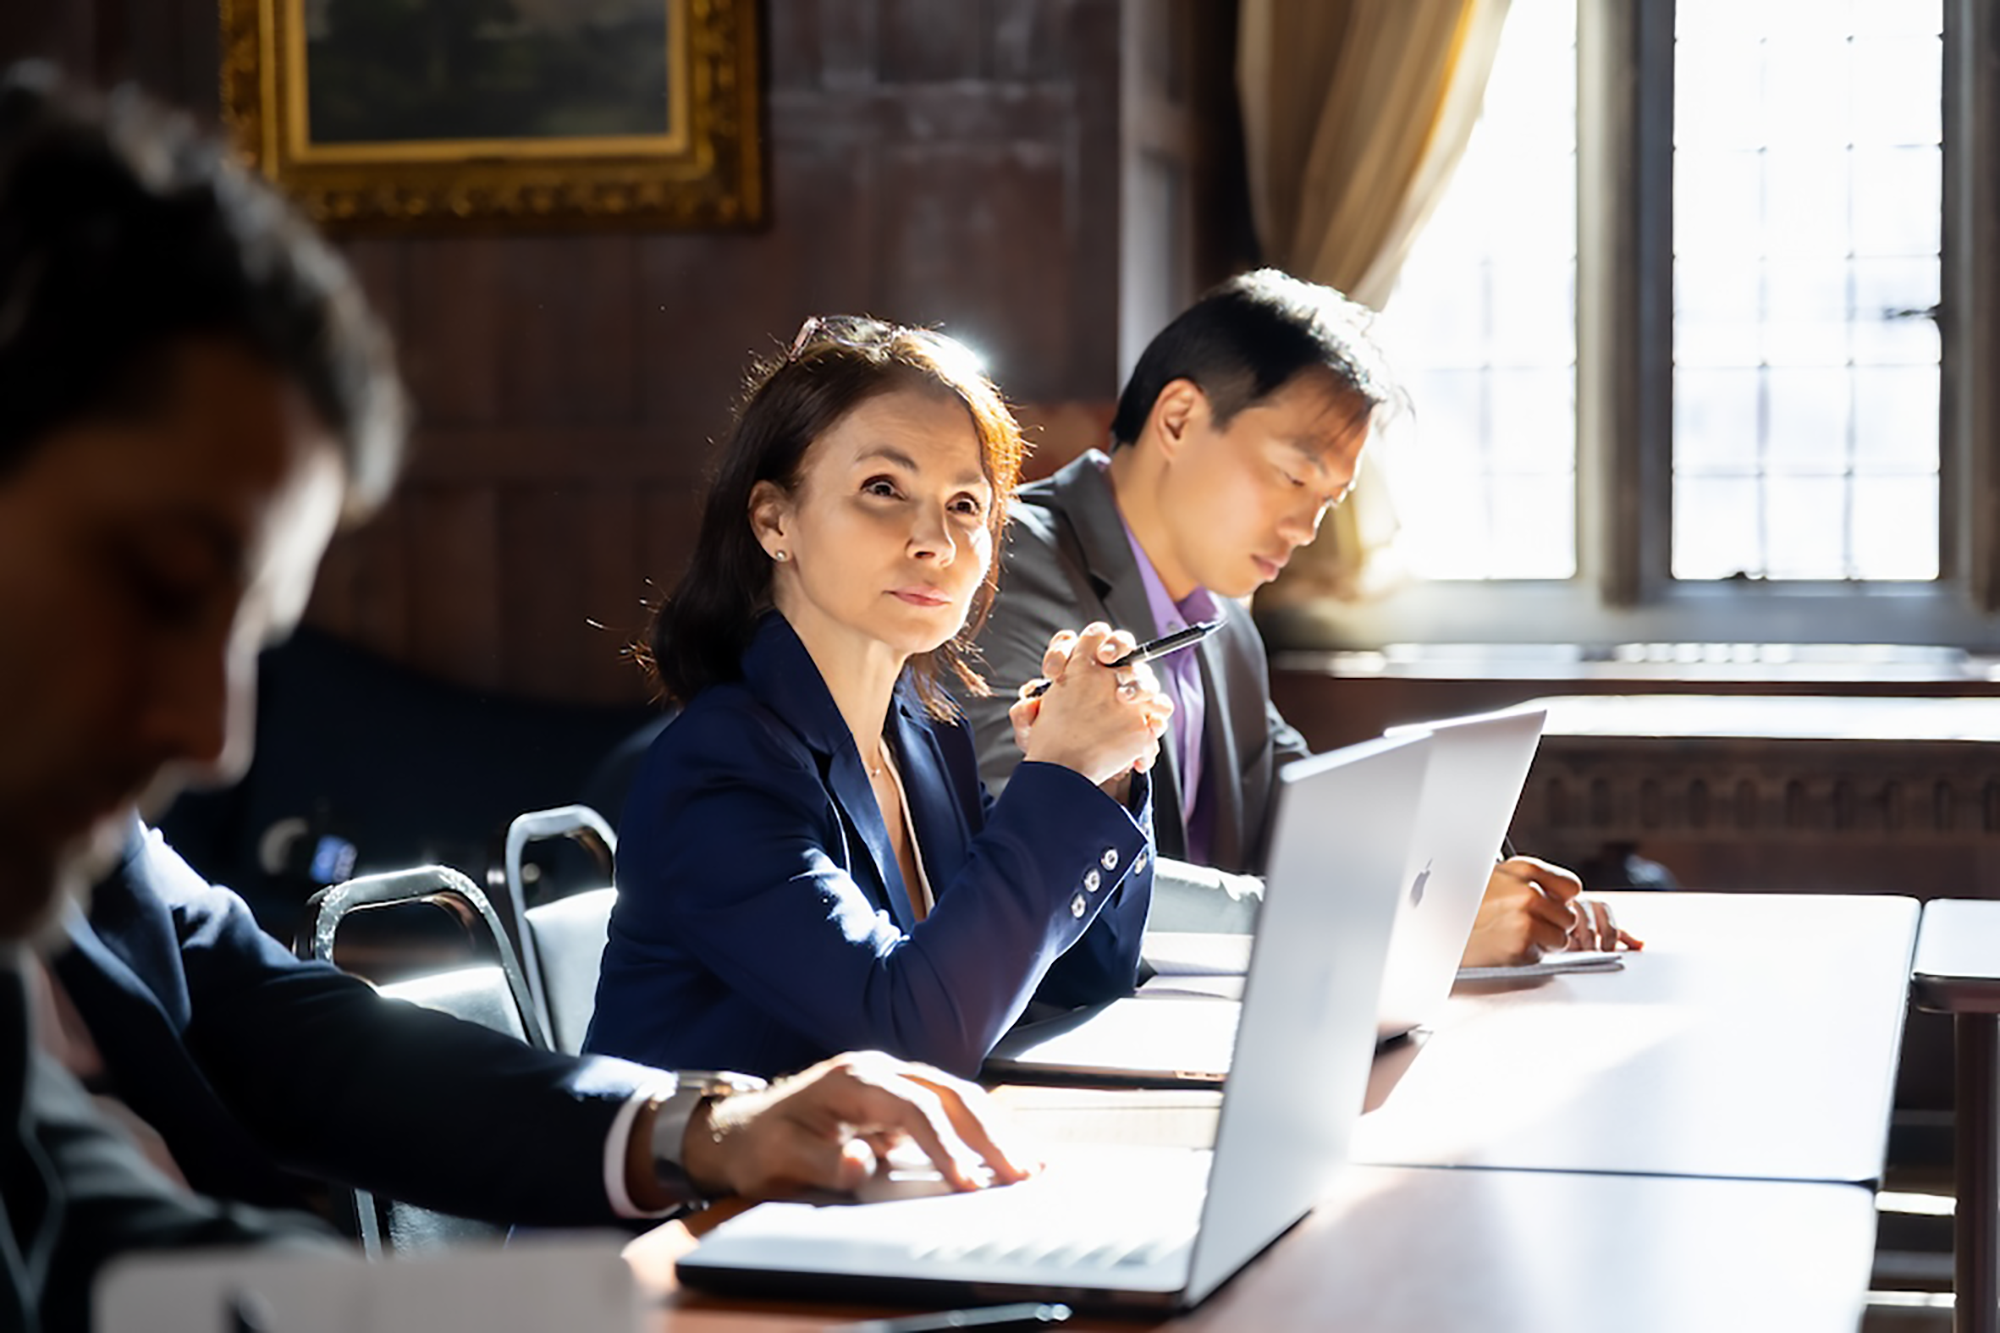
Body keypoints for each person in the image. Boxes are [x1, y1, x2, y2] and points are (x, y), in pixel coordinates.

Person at [0, 65, 1024, 1329]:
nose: (214, 739)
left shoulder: (75, 858)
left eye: (248, 637)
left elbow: (269, 1040)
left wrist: (695, 1125)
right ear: (771, 521)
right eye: (156, 590)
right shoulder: (727, 753)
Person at [964, 270, 1638, 963]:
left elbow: (1301, 803)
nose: (1308, 527)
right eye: (1293, 476)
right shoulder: (1009, 568)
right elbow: (1043, 864)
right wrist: (1398, 920)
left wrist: (1480, 884)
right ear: (1178, 420)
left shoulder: (1225, 618)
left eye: (1330, 498)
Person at [584, 315, 1174, 1082]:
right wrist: (1057, 774)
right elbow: (907, 1032)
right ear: (773, 520)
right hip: (695, 1199)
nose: (935, 540)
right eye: (883, 488)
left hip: (854, 1188)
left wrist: (1104, 774)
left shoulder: (926, 736)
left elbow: (1074, 978)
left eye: (965, 504)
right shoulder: (721, 766)